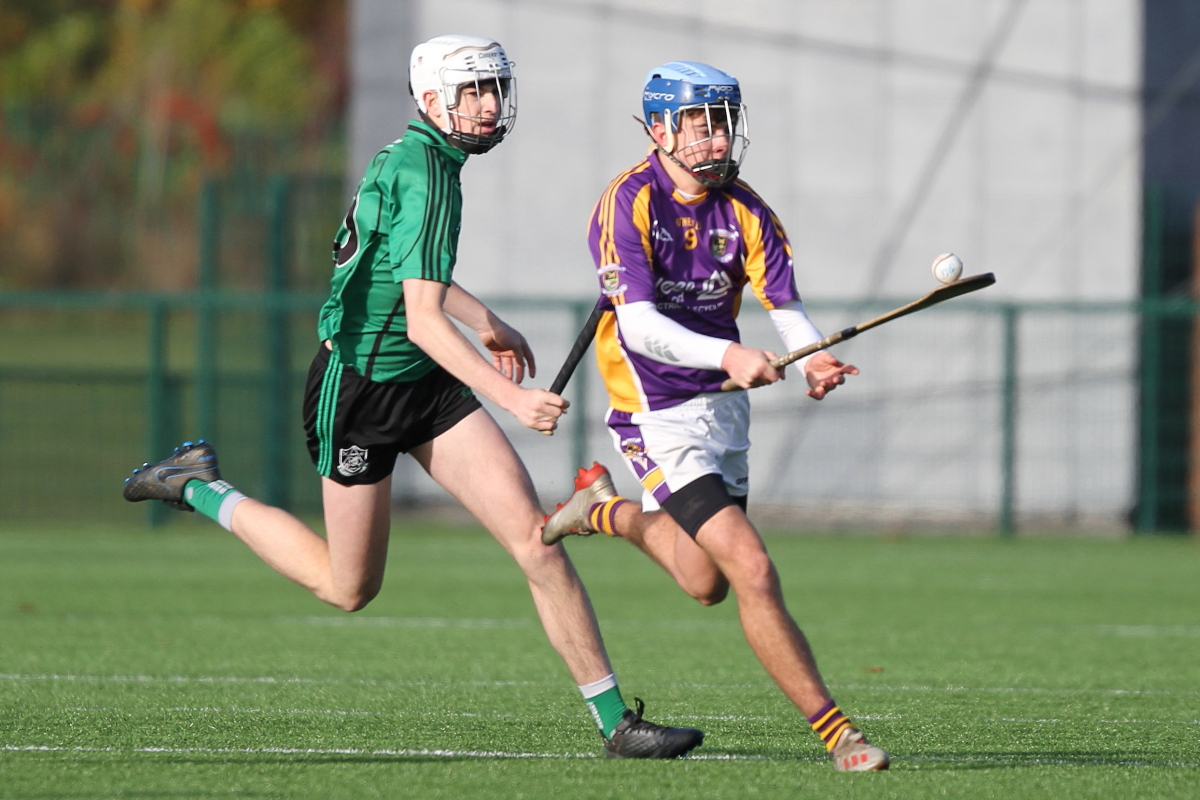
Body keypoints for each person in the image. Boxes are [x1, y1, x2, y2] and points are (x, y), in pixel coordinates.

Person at [123, 35, 703, 760]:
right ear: (433, 101)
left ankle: (617, 723)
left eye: (494, 87)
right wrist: (512, 400)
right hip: (359, 390)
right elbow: (421, 317)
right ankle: (199, 488)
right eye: (473, 92)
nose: (490, 104)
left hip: (425, 385)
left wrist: (485, 318)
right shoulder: (427, 173)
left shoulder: (421, 159)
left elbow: (411, 279)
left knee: (535, 540)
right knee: (348, 587)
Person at [542, 61, 889, 772]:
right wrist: (728, 356)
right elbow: (636, 325)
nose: (716, 135)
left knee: (706, 583)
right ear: (662, 129)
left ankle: (600, 510)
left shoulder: (747, 208)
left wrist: (812, 356)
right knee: (753, 568)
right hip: (655, 413)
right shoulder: (628, 202)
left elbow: (784, 305)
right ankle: (839, 734)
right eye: (700, 121)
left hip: (724, 419)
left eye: (723, 120)